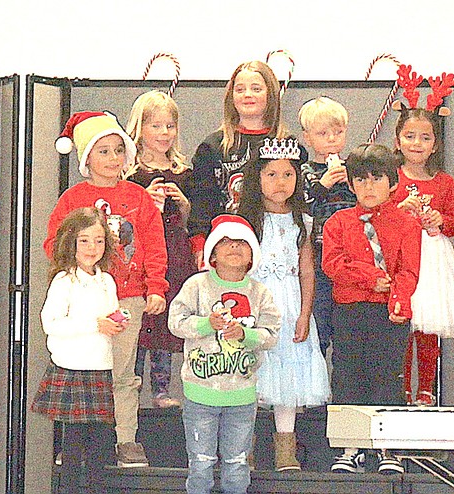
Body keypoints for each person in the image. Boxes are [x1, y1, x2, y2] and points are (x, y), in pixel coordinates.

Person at [44, 111, 169, 467]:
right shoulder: (73, 199)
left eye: (118, 150)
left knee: (122, 372)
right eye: (103, 151)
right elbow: (54, 242)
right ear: (86, 159)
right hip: (85, 299)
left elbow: (155, 245)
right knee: (83, 372)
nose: (113, 159)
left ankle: (125, 439)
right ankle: (78, 444)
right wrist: (76, 272)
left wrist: (155, 287)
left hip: (127, 296)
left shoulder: (139, 198)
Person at [322, 143, 421, 474]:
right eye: (360, 180)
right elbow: (332, 263)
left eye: (376, 178)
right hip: (350, 310)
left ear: (392, 182)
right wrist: (369, 277)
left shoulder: (406, 223)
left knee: (387, 376)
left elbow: (409, 271)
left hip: (388, 313)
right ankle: (351, 446)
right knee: (349, 374)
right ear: (350, 185)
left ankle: (388, 446)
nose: (368, 187)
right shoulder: (338, 221)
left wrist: (398, 300)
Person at [168, 214, 280, 494]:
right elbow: (176, 322)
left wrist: (246, 335)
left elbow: (271, 335)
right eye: (226, 242)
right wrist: (206, 324)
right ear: (212, 253)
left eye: (242, 242)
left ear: (253, 254)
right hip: (199, 393)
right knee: (201, 463)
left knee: (237, 461)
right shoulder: (196, 285)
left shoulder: (260, 292)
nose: (234, 247)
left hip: (242, 395)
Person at [237, 137, 330, 472]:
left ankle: (285, 450)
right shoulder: (247, 219)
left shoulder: (302, 221)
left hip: (290, 304)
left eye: (288, 175)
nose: (280, 182)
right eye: (271, 174)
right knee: (249, 375)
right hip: (254, 302)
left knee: (288, 377)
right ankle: (241, 449)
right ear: (257, 178)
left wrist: (305, 313)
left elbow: (307, 270)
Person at [32, 207, 122, 494]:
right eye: (84, 240)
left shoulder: (106, 280)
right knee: (71, 447)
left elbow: (108, 316)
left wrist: (117, 322)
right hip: (72, 368)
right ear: (71, 242)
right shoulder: (64, 281)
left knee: (99, 446)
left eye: (98, 240)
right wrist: (95, 324)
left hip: (99, 366)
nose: (92, 248)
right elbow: (52, 323)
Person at [187, 60, 306, 265]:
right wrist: (200, 245)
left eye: (256, 88)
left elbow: (298, 202)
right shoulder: (213, 147)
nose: (247, 94)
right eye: (240, 89)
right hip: (227, 247)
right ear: (231, 96)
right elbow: (201, 202)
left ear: (270, 94)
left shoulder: (289, 146)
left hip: (278, 246)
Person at [392, 106, 454, 407]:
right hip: (402, 257)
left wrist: (439, 219)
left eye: (425, 137)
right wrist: (401, 209)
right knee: (403, 325)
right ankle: (402, 389)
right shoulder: (391, 180)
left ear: (435, 144)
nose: (416, 143)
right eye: (409, 136)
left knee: (429, 325)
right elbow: (381, 217)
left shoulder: (444, 182)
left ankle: (426, 388)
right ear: (398, 140)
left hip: (433, 258)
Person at [125, 90, 197, 409]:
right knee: (141, 323)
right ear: (140, 128)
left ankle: (161, 389)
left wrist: (183, 205)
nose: (164, 133)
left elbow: (192, 221)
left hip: (175, 253)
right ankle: (131, 385)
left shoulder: (184, 172)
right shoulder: (131, 174)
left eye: (170, 126)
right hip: (141, 256)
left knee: (167, 320)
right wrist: (146, 203)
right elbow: (121, 223)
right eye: (156, 126)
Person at [298, 96, 355, 357]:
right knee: (319, 322)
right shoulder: (305, 172)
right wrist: (323, 185)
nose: (332, 139)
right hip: (319, 256)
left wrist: (353, 183)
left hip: (350, 257)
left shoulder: (354, 169)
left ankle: (344, 389)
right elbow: (302, 207)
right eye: (323, 133)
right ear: (308, 138)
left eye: (338, 132)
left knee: (347, 330)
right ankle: (318, 387)